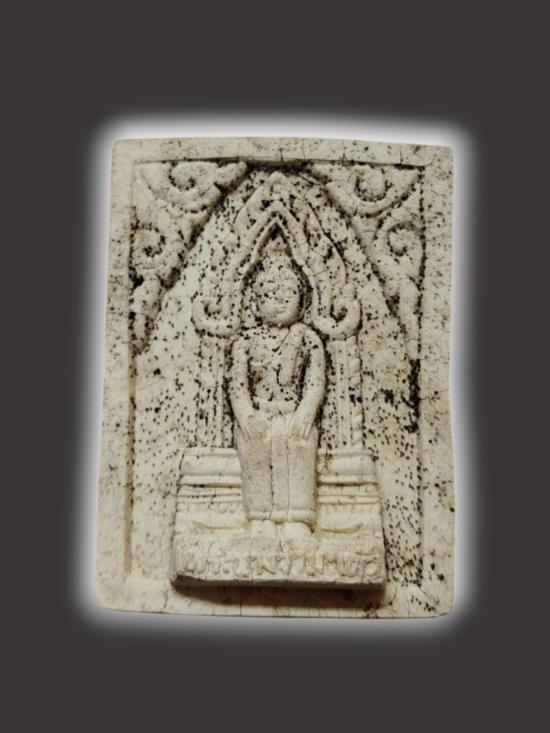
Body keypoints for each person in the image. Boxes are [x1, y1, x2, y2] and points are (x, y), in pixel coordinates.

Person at [229, 249, 326, 539]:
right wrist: (247, 415)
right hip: (259, 413)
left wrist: (306, 412)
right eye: (270, 294)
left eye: (287, 293)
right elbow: (237, 386)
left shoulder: (308, 340)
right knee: (256, 445)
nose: (279, 300)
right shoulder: (245, 342)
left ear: (302, 302)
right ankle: (260, 517)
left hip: (293, 413)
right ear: (255, 304)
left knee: (300, 444)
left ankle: (297, 518)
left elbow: (314, 383)